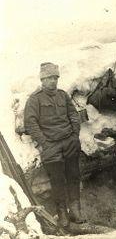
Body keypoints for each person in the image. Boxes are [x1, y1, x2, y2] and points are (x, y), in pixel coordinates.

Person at [24, 62, 84, 227]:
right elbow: (30, 123)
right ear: (42, 79)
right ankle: (62, 213)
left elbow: (73, 115)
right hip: (51, 145)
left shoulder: (63, 95)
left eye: (55, 77)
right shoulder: (34, 99)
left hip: (69, 141)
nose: (53, 81)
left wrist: (74, 135)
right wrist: (44, 142)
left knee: (73, 175)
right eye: (49, 78)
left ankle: (76, 211)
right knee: (57, 180)